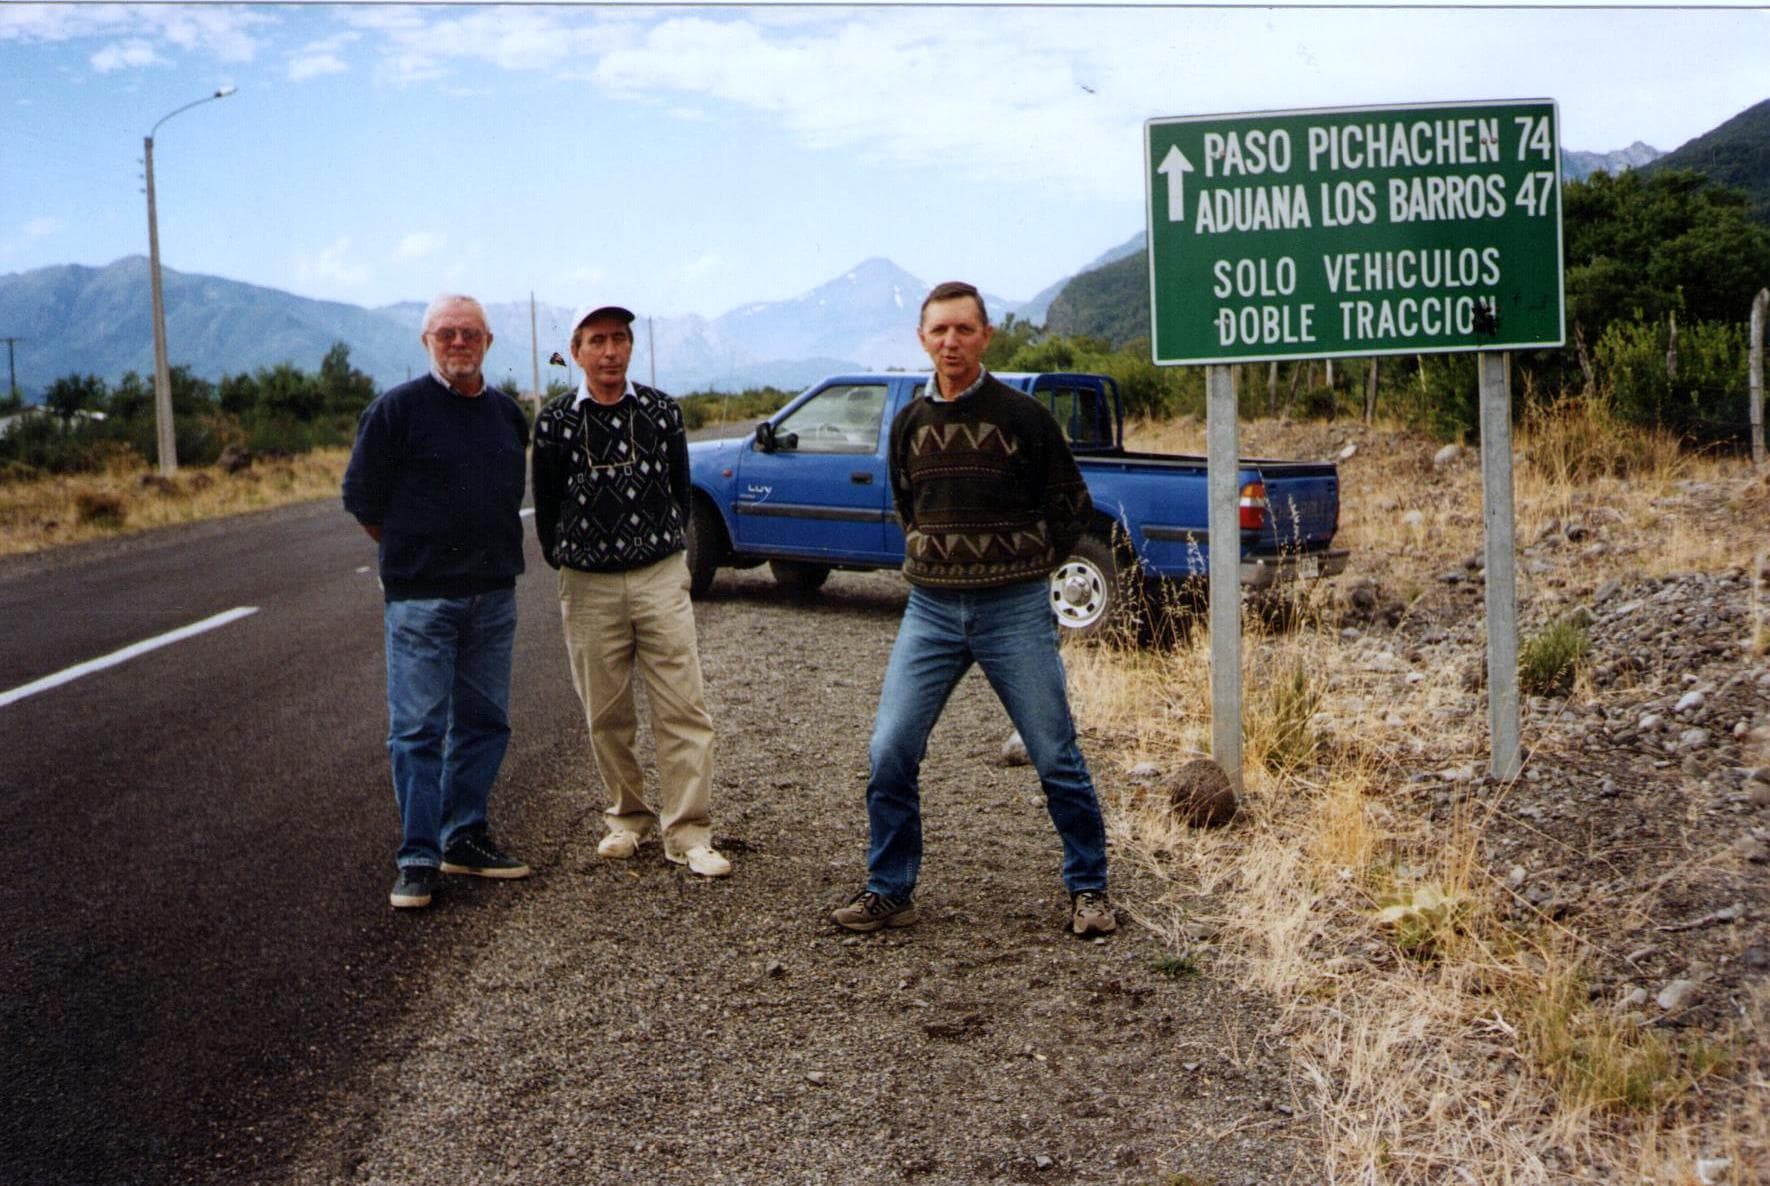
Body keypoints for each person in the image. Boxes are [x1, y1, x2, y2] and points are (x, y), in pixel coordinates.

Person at [832, 281, 1115, 937]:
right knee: (890, 750)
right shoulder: (909, 423)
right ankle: (888, 888)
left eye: (964, 329)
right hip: (930, 611)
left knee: (1054, 753)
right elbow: (910, 506)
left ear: (986, 335)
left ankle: (1090, 889)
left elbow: (1072, 506)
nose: (951, 342)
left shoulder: (1023, 417)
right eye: (939, 331)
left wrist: (1022, 560)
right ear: (922, 340)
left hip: (1014, 609)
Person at [343, 293, 533, 910]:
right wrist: (415, 555)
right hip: (422, 602)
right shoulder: (396, 411)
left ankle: (465, 836)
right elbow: (364, 502)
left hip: (493, 598)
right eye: (446, 332)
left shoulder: (507, 415)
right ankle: (419, 855)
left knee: (484, 723)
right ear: (426, 341)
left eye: (470, 333)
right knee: (418, 731)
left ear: (488, 342)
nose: (459, 342)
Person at [531, 303, 730, 879]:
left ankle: (689, 833)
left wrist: (661, 553)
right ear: (577, 353)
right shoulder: (555, 422)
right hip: (588, 585)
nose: (611, 351)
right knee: (606, 711)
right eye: (597, 341)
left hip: (659, 576)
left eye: (619, 339)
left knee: (683, 705)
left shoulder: (662, 412)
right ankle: (627, 818)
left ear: (630, 347)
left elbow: (676, 488)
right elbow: (546, 507)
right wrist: (570, 559)